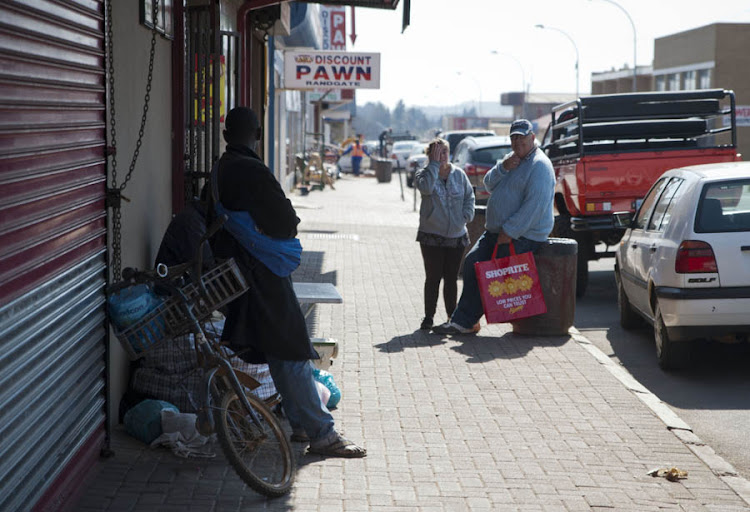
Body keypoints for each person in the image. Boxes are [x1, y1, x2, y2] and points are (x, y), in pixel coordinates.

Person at [208, 106, 366, 458]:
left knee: (280, 351)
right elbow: (286, 221)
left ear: (224, 135)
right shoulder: (252, 169)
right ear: (259, 135)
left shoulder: (220, 170)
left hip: (240, 273)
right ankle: (322, 434)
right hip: (264, 273)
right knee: (292, 347)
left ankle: (299, 425)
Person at [432, 119, 555, 335]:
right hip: (497, 232)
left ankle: (463, 321)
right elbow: (488, 184)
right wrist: (503, 167)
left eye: (522, 137)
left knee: (488, 272)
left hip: (522, 235)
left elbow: (534, 207)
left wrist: (510, 231)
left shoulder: (540, 166)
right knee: (472, 262)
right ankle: (465, 321)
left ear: (532, 138)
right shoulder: (512, 159)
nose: (517, 142)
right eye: (514, 137)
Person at [413, 138, 475, 331]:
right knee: (433, 277)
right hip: (431, 234)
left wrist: (467, 215)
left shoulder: (459, 175)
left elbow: (469, 196)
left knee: (451, 278)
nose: (442, 157)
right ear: (430, 155)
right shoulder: (423, 174)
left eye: (445, 152)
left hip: (456, 235)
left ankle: (451, 316)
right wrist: (433, 165)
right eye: (437, 153)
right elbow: (426, 188)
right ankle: (428, 317)